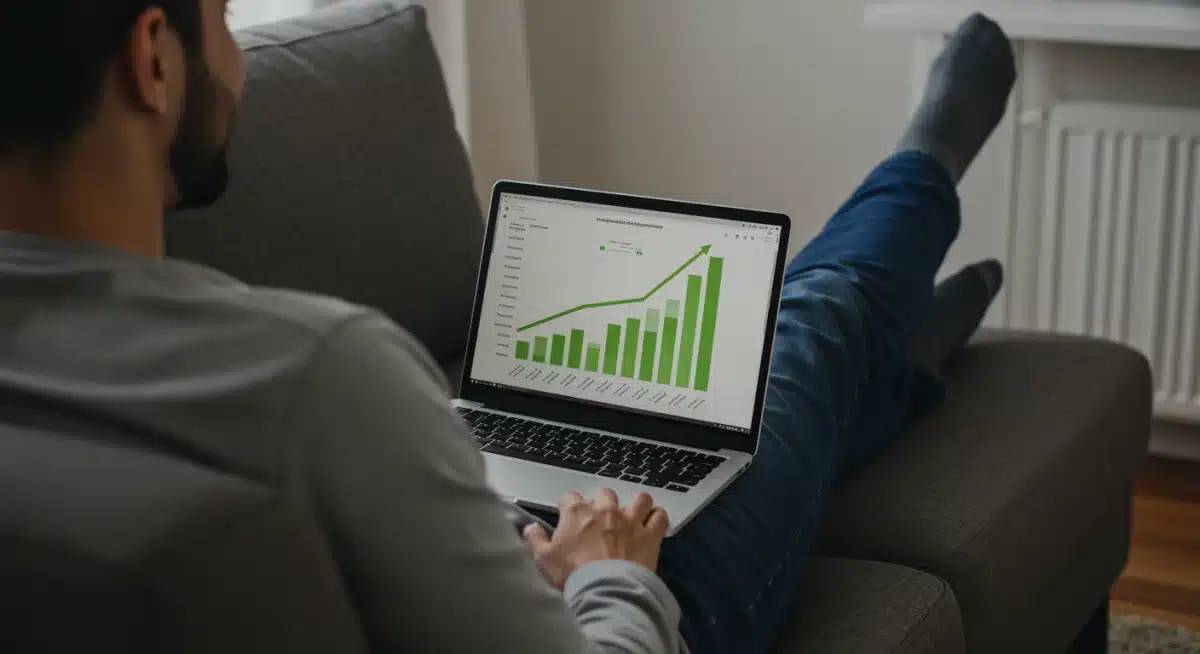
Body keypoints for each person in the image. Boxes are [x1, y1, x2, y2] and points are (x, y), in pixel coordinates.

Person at [0, 1, 1014, 653]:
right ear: (154, 59)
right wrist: (607, 572)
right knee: (804, 338)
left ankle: (905, 348)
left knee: (801, 366)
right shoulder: (317, 376)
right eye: (220, 14)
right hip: (619, 620)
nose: (238, 54)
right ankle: (915, 207)